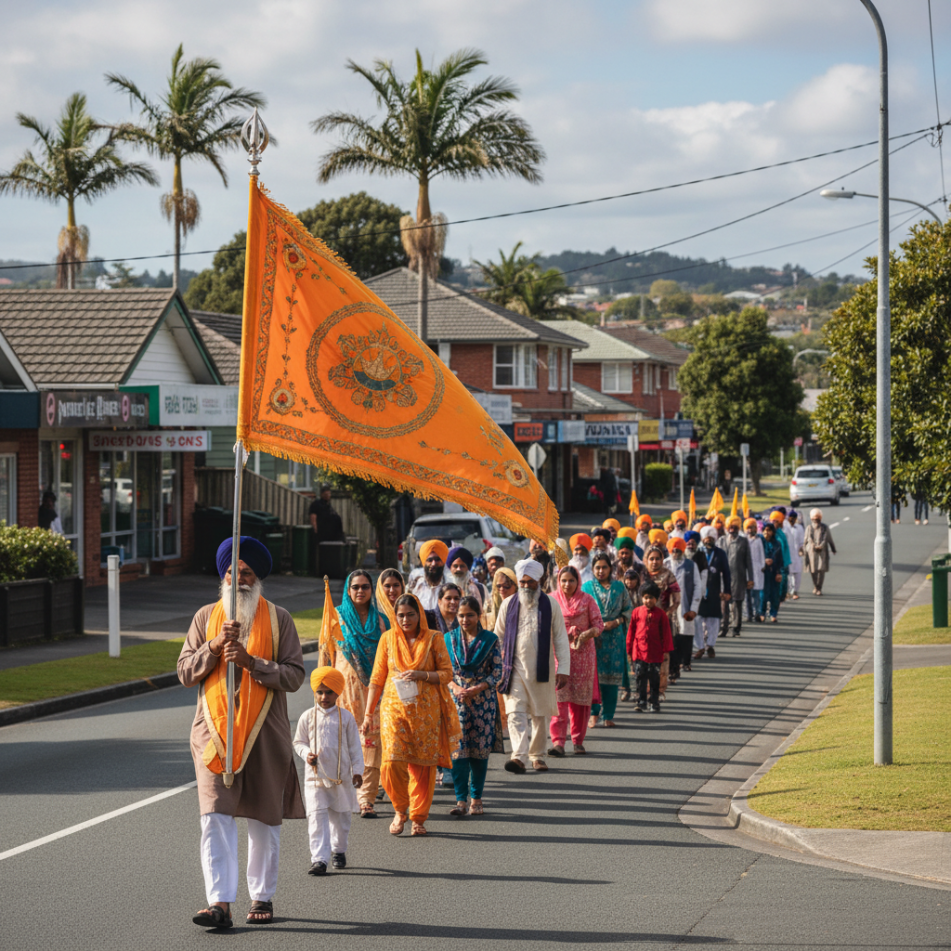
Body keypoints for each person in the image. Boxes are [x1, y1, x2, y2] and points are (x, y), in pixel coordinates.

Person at [179, 537, 305, 930]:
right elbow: (185, 672)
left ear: (258, 578)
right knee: (214, 816)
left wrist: (252, 662)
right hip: (214, 735)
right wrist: (215, 646)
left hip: (265, 734)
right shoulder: (205, 617)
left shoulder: (280, 618)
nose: (240, 581)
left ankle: (262, 896)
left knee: (264, 819)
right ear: (224, 577)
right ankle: (219, 902)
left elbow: (295, 675)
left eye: (248, 573)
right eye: (234, 573)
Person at [362, 594, 461, 837]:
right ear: (395, 617)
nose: (405, 619)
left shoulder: (434, 639)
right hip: (394, 710)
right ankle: (400, 809)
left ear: (419, 615)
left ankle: (418, 817)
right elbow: (376, 679)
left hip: (426, 712)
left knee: (422, 766)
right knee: (392, 762)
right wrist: (367, 714)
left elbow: (447, 674)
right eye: (401, 615)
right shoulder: (387, 639)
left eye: (410, 614)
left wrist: (421, 675)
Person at [318, 570, 386, 819]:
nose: (360, 591)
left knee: (371, 741)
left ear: (371, 590)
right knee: (344, 743)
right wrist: (322, 686)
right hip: (343, 690)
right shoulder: (336, 617)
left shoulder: (381, 621)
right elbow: (326, 654)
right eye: (355, 587)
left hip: (374, 690)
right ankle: (344, 792)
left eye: (365, 587)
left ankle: (366, 798)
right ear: (348, 590)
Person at [494, 559, 571, 774]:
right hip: (513, 668)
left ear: (541, 580)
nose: (526, 587)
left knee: (540, 714)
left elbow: (560, 638)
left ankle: (537, 755)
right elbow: (497, 636)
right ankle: (518, 756)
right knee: (515, 713)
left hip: (541, 669)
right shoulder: (508, 604)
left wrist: (563, 668)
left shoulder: (551, 605)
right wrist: (495, 666)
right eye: (522, 583)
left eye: (531, 582)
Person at [292, 666, 364, 876]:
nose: (324, 696)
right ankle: (319, 859)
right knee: (316, 817)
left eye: (329, 692)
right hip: (315, 779)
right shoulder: (307, 716)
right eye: (320, 692)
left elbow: (355, 748)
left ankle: (338, 850)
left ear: (337, 693)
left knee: (341, 818)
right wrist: (307, 754)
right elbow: (298, 742)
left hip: (341, 778)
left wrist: (357, 771)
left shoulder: (346, 718)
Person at [445, 596, 503, 816]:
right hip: (457, 702)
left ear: (479, 616)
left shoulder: (490, 640)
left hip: (483, 703)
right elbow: (443, 673)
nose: (465, 619)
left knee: (479, 753)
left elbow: (497, 672)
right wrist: (455, 688)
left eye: (470, 615)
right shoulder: (448, 639)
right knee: (458, 752)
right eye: (461, 615)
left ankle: (476, 798)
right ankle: (460, 800)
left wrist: (477, 688)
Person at [549, 566, 603, 756]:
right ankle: (558, 742)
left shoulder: (587, 600)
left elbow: (599, 623)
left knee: (580, 701)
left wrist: (588, 633)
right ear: (558, 581)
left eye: (571, 580)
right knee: (559, 699)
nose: (567, 584)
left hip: (583, 655)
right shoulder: (552, 599)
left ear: (578, 581)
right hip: (558, 654)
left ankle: (578, 740)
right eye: (563, 580)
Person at [583, 552, 633, 728]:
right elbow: (581, 612)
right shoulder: (586, 588)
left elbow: (629, 610)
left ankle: (609, 715)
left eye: (604, 567)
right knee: (593, 677)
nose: (601, 571)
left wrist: (616, 622)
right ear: (592, 569)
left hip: (614, 638)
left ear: (610, 568)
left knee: (611, 677)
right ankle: (593, 713)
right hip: (593, 638)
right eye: (597, 568)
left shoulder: (619, 587)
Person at [641, 544, 681, 698]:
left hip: (662, 623)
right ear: (646, 559)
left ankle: (660, 690)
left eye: (658, 558)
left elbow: (677, 598)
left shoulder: (668, 575)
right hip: (643, 622)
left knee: (663, 657)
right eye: (651, 558)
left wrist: (667, 613)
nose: (654, 561)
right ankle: (644, 688)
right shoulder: (641, 574)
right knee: (643, 656)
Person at [628, 581, 674, 713]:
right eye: (646, 597)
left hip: (655, 652)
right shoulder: (636, 612)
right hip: (639, 652)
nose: (648, 600)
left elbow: (666, 633)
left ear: (656, 599)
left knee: (654, 678)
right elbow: (631, 631)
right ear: (642, 598)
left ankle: (654, 702)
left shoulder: (661, 614)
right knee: (640, 678)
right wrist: (629, 649)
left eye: (651, 598)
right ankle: (641, 701)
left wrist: (666, 651)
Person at [693, 526, 731, 660]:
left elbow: (726, 573)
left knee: (713, 620)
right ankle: (699, 647)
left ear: (714, 539)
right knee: (697, 620)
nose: (708, 541)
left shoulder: (720, 553)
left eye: (711, 539)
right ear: (702, 539)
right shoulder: (696, 553)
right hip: (698, 592)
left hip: (715, 592)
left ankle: (710, 645)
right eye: (706, 538)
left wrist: (727, 591)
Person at [666, 537, 701, 677]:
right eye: (673, 550)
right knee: (671, 635)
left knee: (686, 634)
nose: (675, 553)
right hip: (668, 606)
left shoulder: (691, 565)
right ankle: (673, 665)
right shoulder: (664, 564)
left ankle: (685, 661)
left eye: (678, 550)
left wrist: (694, 607)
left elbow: (698, 586)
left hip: (685, 604)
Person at [718, 516, 753, 637]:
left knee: (737, 603)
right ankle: (723, 628)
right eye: (730, 527)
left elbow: (748, 561)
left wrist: (750, 578)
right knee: (723, 603)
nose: (732, 529)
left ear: (738, 528)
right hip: (723, 577)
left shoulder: (743, 541)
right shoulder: (721, 540)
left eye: (734, 527)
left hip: (738, 576)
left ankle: (736, 628)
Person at [802, 509, 837, 596]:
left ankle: (819, 588)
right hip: (811, 552)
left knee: (821, 570)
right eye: (814, 519)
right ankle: (815, 586)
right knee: (813, 570)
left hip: (822, 552)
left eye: (817, 519)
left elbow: (828, 538)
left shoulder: (824, 527)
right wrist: (805, 550)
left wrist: (833, 549)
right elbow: (806, 539)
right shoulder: (809, 528)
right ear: (811, 519)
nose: (815, 521)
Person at [408, 540, 449, 613]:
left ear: (443, 561)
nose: (433, 564)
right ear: (424, 562)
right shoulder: (416, 583)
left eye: (437, 559)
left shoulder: (450, 584)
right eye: (430, 560)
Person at [759, 521, 786, 622]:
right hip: (763, 572)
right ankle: (762, 613)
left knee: (775, 594)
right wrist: (764, 561)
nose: (767, 533)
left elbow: (780, 560)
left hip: (774, 572)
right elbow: (756, 557)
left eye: (769, 530)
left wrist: (779, 572)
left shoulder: (777, 544)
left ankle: (773, 614)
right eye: (765, 530)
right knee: (763, 594)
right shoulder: (760, 542)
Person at [744, 519, 765, 623]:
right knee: (748, 595)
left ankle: (757, 612)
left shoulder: (758, 540)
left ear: (756, 529)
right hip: (747, 570)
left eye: (752, 527)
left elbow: (762, 554)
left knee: (756, 594)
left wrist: (762, 566)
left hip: (757, 569)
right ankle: (749, 614)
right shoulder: (743, 540)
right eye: (748, 527)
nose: (750, 530)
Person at [785, 510, 805, 600]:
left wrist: (802, 550)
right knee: (788, 574)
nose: (792, 520)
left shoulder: (799, 528)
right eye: (790, 518)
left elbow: (801, 542)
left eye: (794, 518)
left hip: (796, 555)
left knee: (797, 574)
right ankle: (788, 592)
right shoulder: (785, 528)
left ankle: (795, 591)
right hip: (787, 554)